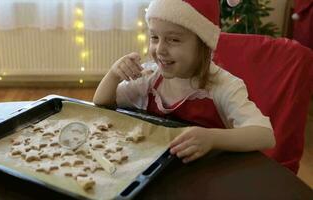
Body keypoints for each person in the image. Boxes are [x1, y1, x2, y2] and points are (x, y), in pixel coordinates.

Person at [93, 0, 275, 163]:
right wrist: (113, 74)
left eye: (173, 39)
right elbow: (102, 101)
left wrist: (211, 138)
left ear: (203, 44)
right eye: (154, 37)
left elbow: (264, 135)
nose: (160, 50)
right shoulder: (150, 77)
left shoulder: (224, 85)